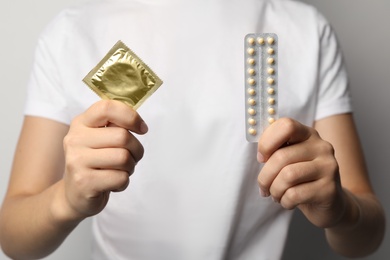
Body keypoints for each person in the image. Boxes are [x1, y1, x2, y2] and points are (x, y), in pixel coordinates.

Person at [0, 0, 385, 259]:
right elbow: (14, 237)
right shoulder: (72, 33)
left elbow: (368, 234)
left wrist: (339, 209)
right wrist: (66, 200)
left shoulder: (305, 30)